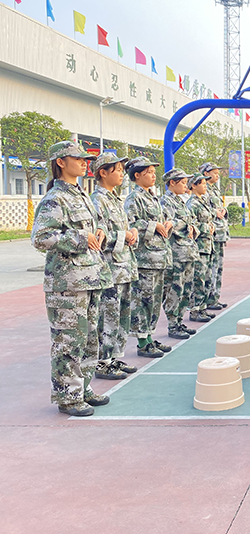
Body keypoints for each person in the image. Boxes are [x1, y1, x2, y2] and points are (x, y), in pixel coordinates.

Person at [32, 141, 113, 416]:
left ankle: (82, 388)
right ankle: (68, 397)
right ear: (60, 162)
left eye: (84, 159)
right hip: (67, 284)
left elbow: (93, 229)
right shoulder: (55, 198)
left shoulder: (81, 196)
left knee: (89, 339)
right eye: (77, 158)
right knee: (68, 341)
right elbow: (41, 237)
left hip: (89, 277)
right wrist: (80, 237)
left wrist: (100, 233)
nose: (83, 162)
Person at [90, 152, 139, 380]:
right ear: (103, 172)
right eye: (117, 170)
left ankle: (114, 357)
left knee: (121, 315)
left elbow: (121, 230)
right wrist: (123, 235)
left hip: (123, 266)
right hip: (109, 268)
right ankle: (103, 361)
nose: (121, 174)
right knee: (107, 316)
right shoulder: (97, 200)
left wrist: (132, 233)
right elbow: (98, 236)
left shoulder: (115, 199)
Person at [124, 157, 173, 358]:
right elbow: (131, 223)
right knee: (143, 301)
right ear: (137, 175)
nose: (154, 176)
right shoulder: (134, 198)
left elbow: (158, 220)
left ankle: (149, 337)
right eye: (149, 172)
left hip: (158, 256)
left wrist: (167, 224)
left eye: (154, 172)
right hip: (145, 259)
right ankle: (142, 342)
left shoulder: (152, 197)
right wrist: (154, 226)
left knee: (154, 300)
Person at [160, 168, 199, 339]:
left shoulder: (181, 201)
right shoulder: (165, 202)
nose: (185, 185)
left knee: (186, 289)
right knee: (174, 289)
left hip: (188, 251)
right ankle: (172, 324)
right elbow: (169, 223)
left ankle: (179, 321)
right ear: (172, 183)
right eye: (182, 182)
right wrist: (184, 226)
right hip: (176, 253)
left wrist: (191, 228)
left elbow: (191, 222)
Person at [186, 172, 216, 323]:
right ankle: (195, 310)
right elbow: (191, 224)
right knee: (198, 279)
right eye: (202, 183)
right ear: (193, 185)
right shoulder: (192, 204)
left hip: (207, 246)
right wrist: (206, 228)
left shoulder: (202, 201)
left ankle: (202, 307)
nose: (205, 186)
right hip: (199, 247)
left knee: (206, 278)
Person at [201, 162, 229, 311]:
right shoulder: (202, 189)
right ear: (206, 173)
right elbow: (202, 209)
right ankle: (209, 299)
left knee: (218, 268)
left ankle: (215, 297)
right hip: (211, 234)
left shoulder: (214, 190)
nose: (217, 175)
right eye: (215, 173)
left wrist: (223, 211)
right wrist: (215, 213)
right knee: (211, 269)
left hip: (220, 233)